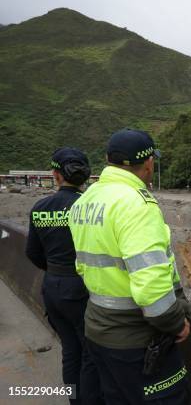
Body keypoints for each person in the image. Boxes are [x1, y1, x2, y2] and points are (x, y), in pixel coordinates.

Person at [69, 128, 190, 404]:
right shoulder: (137, 204)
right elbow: (151, 290)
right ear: (149, 163)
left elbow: (82, 265)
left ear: (108, 160)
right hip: (136, 340)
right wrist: (177, 324)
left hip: (97, 329)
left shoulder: (85, 200)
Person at [25, 147, 104, 405]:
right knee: (90, 353)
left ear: (55, 175)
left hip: (53, 287)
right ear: (86, 175)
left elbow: (32, 253)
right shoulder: (89, 208)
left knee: (70, 351)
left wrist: (54, 270)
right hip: (81, 289)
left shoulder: (40, 207)